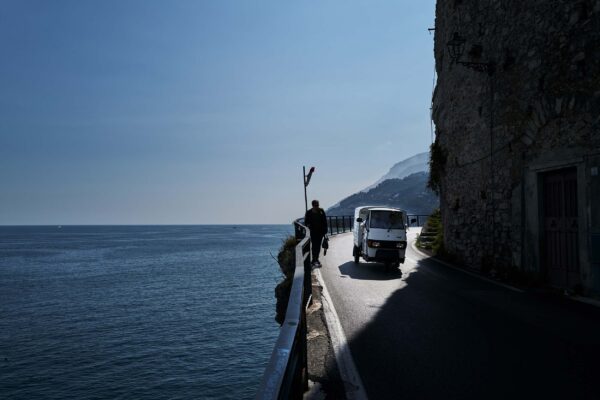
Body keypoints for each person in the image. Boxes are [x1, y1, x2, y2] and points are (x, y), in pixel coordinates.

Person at [304, 199, 328, 266]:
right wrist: (308, 225)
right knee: (314, 245)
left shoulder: (321, 211)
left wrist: (325, 231)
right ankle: (314, 259)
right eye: (316, 205)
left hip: (320, 232)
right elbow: (306, 222)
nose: (317, 206)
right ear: (313, 205)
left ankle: (316, 259)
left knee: (318, 245)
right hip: (312, 232)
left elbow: (325, 221)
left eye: (318, 205)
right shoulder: (309, 212)